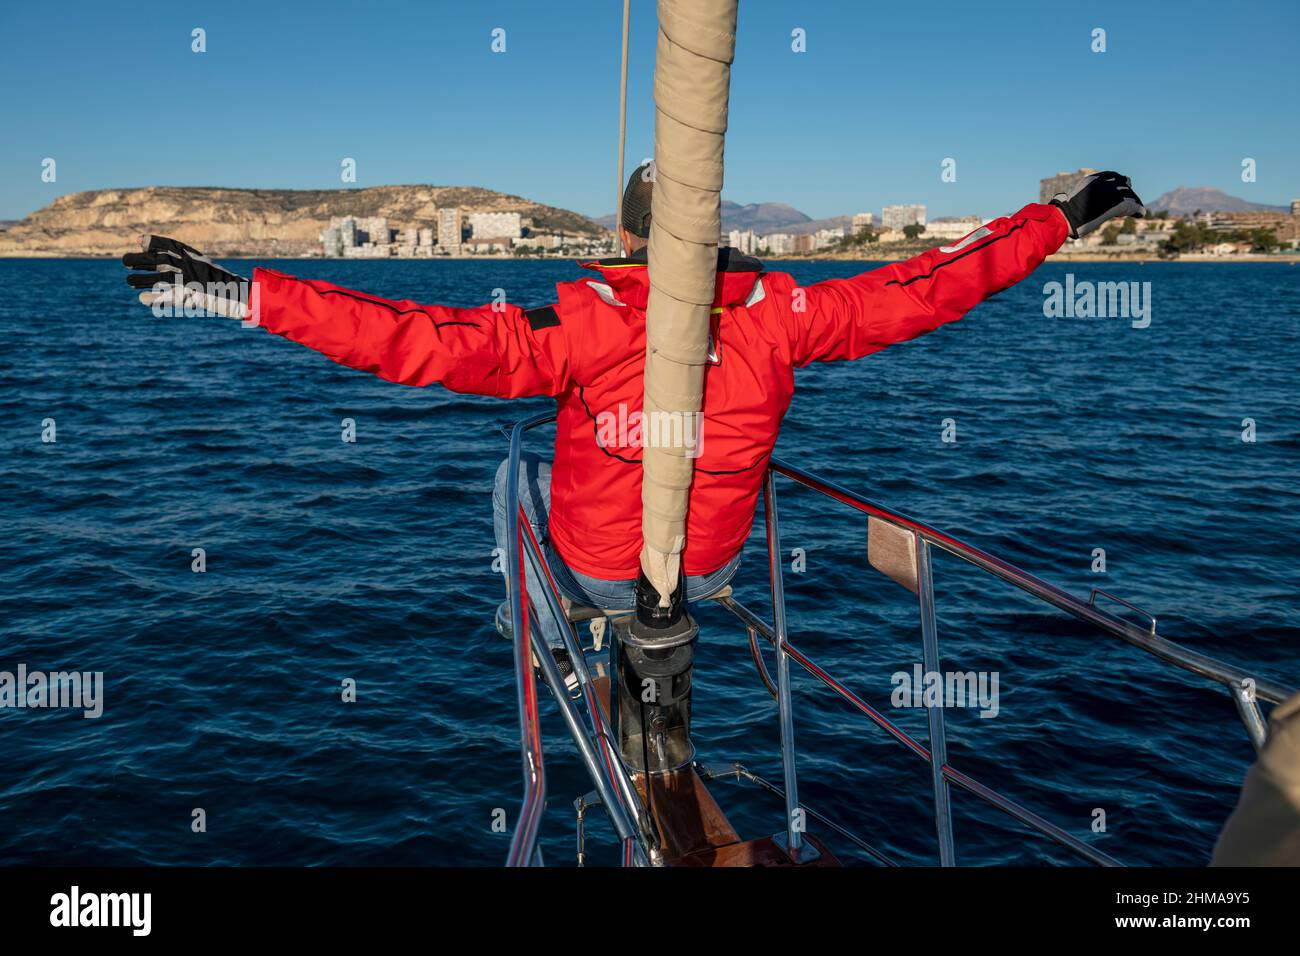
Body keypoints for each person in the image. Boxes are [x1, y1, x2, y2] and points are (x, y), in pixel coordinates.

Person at [122, 167, 1145, 679]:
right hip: (710, 568)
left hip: (600, 570)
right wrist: (1065, 214)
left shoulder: (576, 325)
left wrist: (229, 291)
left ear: (623, 235)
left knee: (516, 479)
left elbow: (405, 336)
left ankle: (543, 645)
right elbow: (935, 283)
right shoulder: (788, 316)